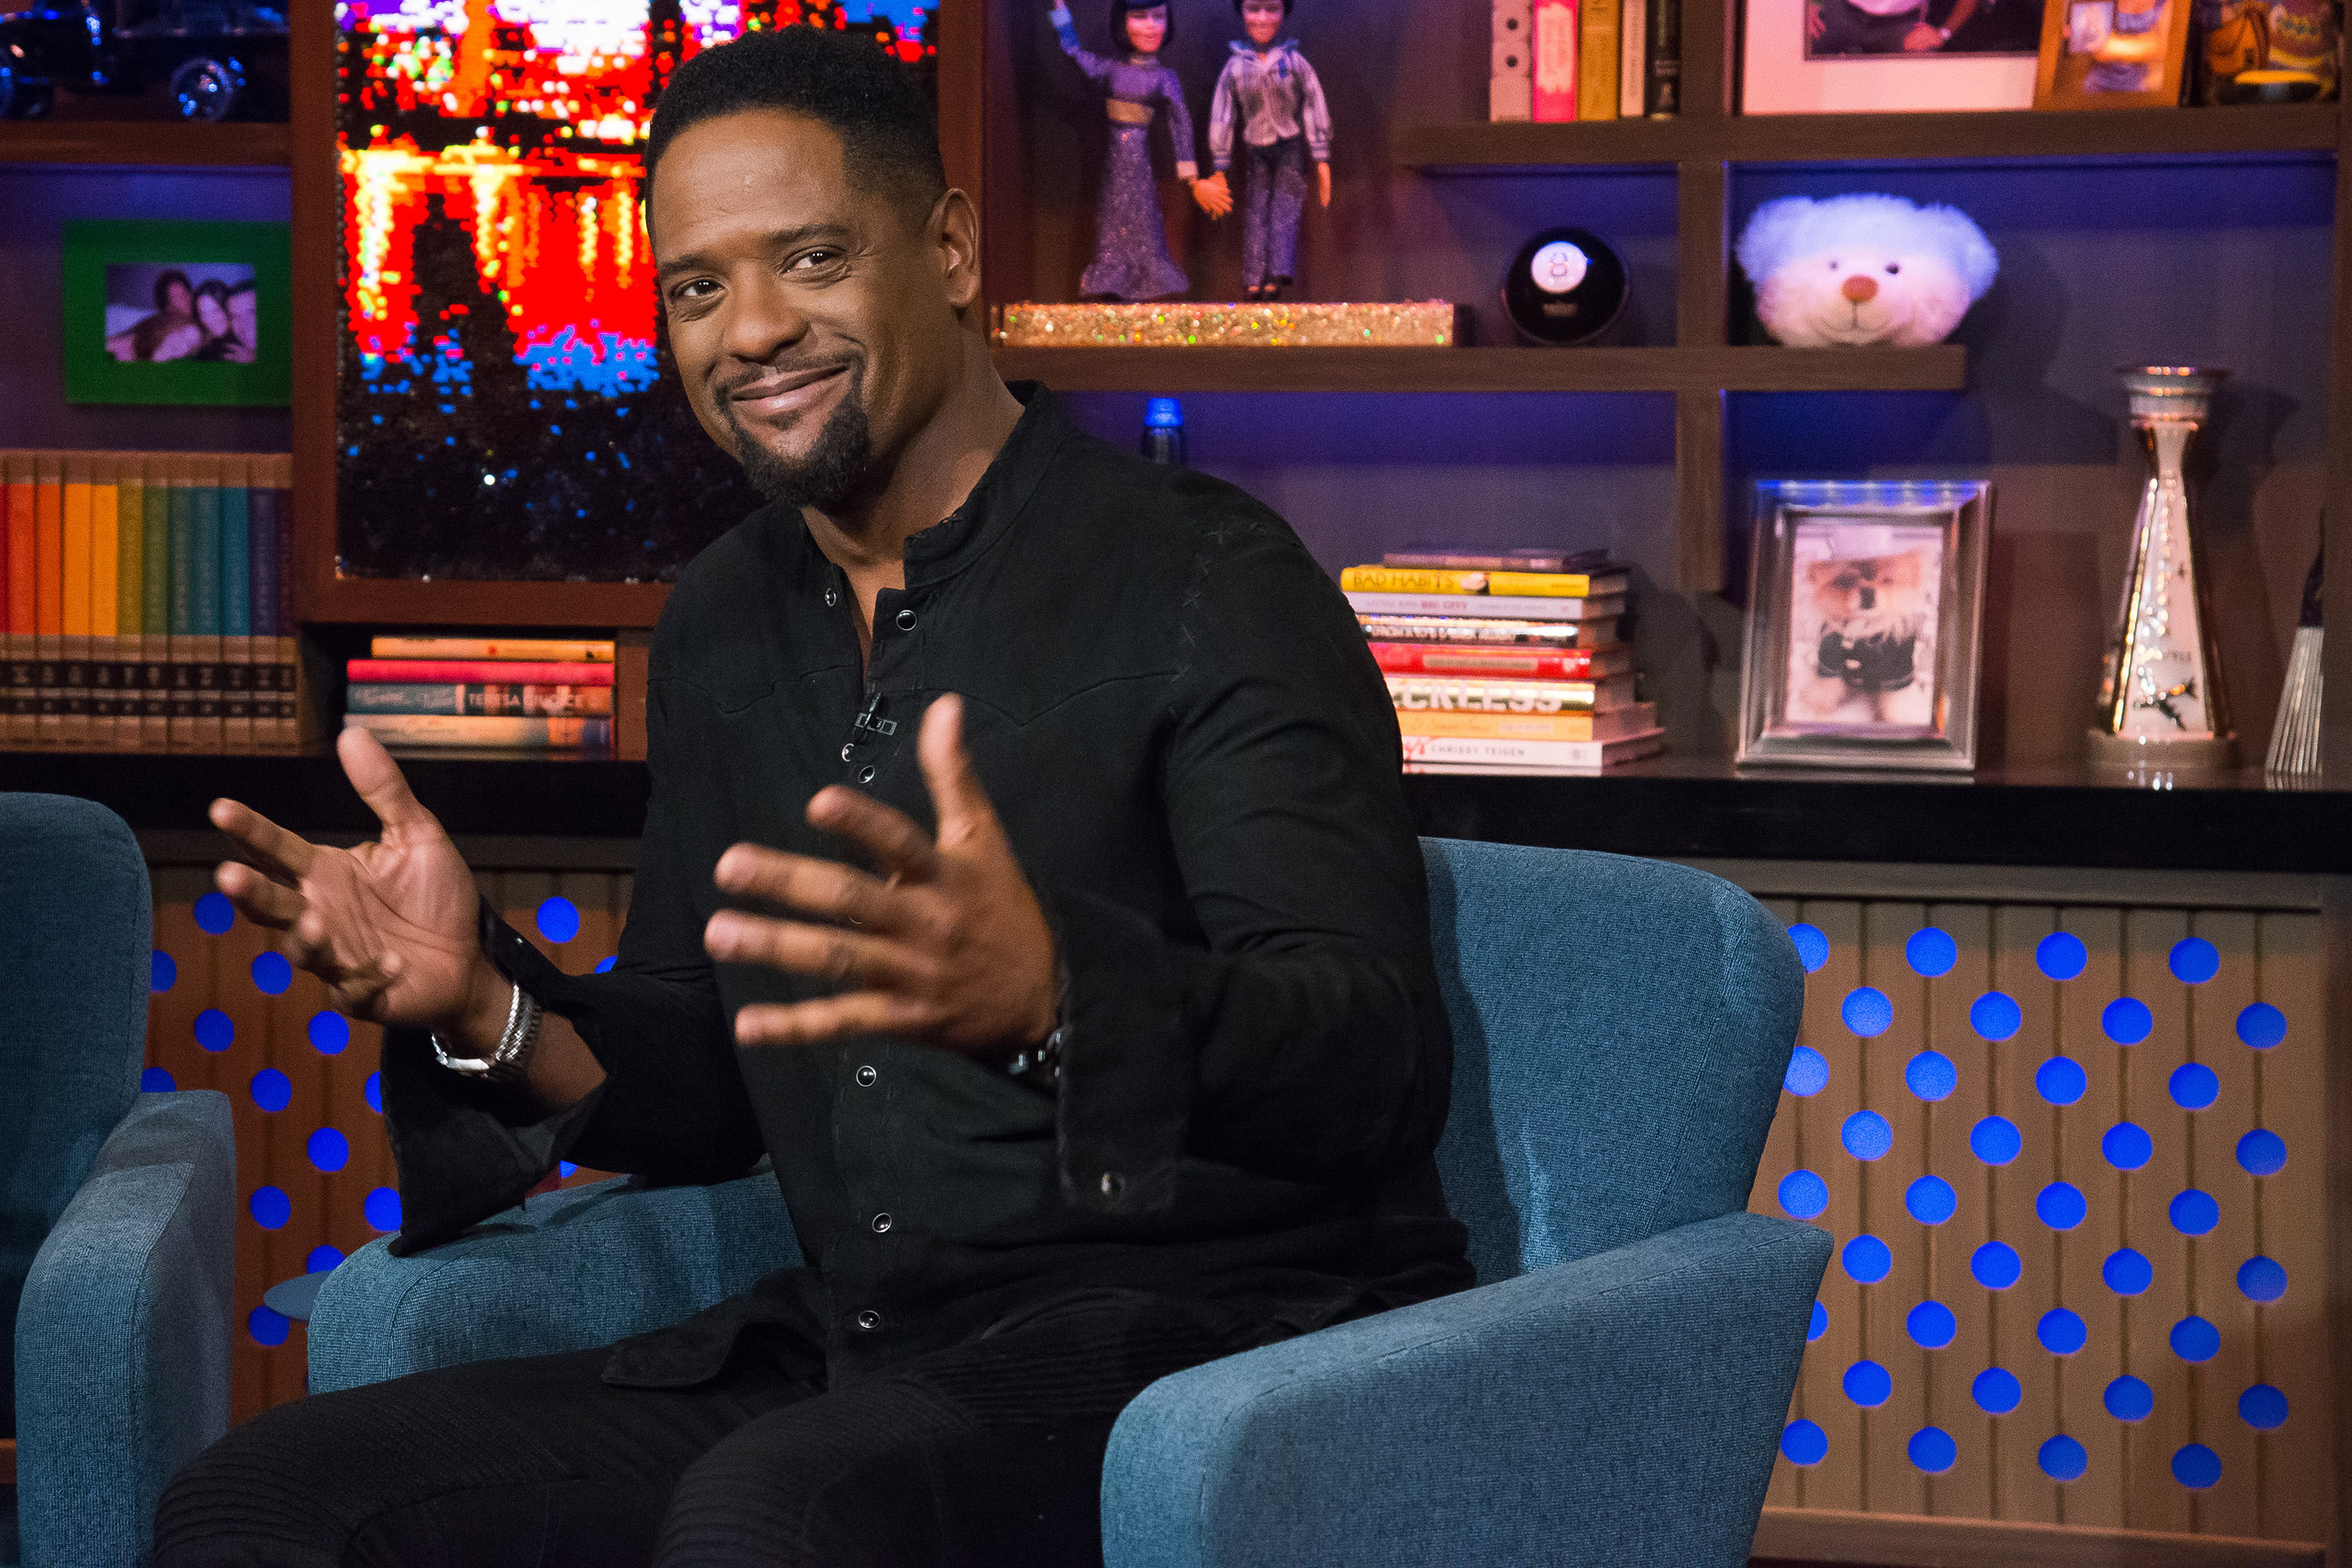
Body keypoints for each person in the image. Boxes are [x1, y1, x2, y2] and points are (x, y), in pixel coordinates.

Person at [154, 23, 1467, 1567]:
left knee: (769, 1514)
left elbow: (1372, 1054)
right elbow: (707, 1079)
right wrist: (481, 999)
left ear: (954, 249)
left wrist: (1056, 998)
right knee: (261, 1500)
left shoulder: (1205, 573)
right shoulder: (723, 615)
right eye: (698, 287)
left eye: (811, 259)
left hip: (1207, 1353)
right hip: (865, 1354)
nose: (750, 331)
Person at [1049, 0, 1200, 300]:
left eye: (1158, 17)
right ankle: (1113, 281)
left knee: (1145, 219)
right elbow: (1073, 52)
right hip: (1114, 162)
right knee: (1112, 219)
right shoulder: (1110, 70)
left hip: (1141, 161)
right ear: (1123, 23)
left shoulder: (1164, 78)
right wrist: (1060, 12)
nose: (1150, 26)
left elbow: (1181, 123)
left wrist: (1190, 173)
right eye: (1140, 17)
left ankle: (1145, 284)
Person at [1194, 0, 1332, 300]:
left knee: (1285, 206)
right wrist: (1220, 164)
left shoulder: (1293, 61)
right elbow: (1223, 114)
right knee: (1256, 210)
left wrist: (1321, 157)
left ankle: (1277, 273)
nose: (1262, 18)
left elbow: (1313, 102)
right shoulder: (1236, 65)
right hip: (1256, 146)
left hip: (1290, 145)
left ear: (1284, 12)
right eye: (1253, 9)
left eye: (1272, 9)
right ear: (1241, 12)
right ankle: (1254, 275)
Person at [106, 268, 196, 363]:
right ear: (169, 306)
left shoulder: (201, 314)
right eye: (176, 297)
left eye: (185, 292)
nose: (185, 299)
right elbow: (120, 342)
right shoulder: (159, 323)